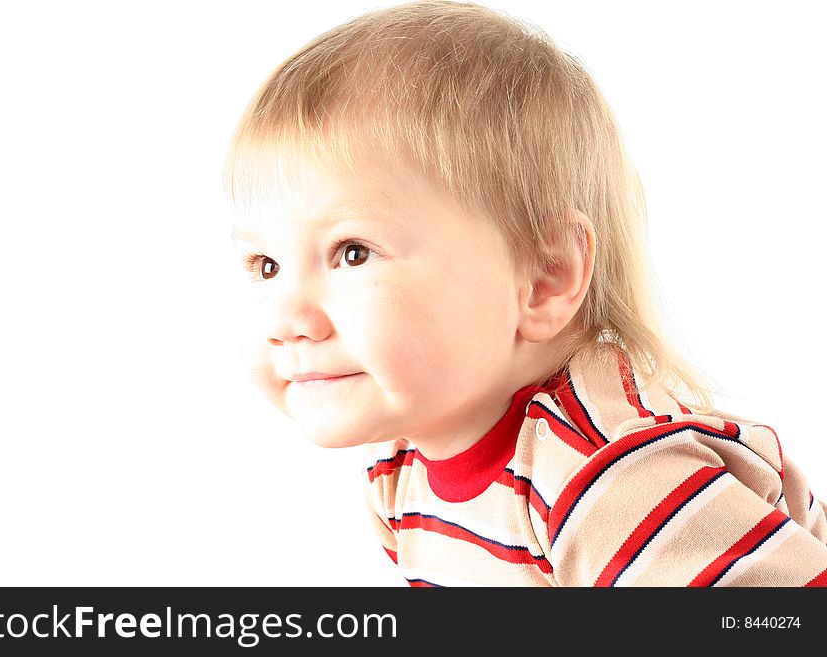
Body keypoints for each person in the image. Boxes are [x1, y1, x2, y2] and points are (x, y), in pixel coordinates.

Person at [222, 0, 827, 586]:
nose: (286, 319)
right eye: (265, 264)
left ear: (545, 277)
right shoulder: (400, 470)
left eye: (352, 252)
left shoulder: (613, 481)